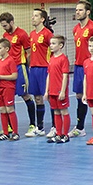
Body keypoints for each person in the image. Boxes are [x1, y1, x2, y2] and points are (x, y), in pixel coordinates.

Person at [0, 12, 37, 137]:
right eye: (2, 26)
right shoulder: (5, 35)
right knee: (8, 98)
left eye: (5, 25)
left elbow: (29, 52)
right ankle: (10, 125)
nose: (4, 28)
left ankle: (33, 124)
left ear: (11, 22)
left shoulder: (22, 34)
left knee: (25, 95)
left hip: (20, 68)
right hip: (8, 69)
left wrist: (27, 67)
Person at [71, 1, 93, 138]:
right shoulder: (76, 29)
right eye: (76, 10)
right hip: (79, 66)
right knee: (80, 96)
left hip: (92, 67)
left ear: (88, 12)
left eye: (80, 10)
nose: (77, 12)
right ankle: (80, 128)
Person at [26, 8, 53, 137]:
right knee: (37, 98)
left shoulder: (47, 34)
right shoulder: (31, 34)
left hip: (44, 69)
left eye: (36, 16)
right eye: (32, 15)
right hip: (34, 69)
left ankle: (55, 126)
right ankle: (40, 127)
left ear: (42, 19)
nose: (33, 18)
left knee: (50, 98)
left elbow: (54, 51)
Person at [46, 35, 71, 144]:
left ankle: (65, 135)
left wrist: (62, 91)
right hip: (52, 90)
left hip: (60, 90)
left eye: (53, 43)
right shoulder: (51, 58)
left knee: (64, 111)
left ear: (60, 46)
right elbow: (49, 75)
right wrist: (46, 91)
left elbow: (65, 76)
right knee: (56, 111)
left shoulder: (63, 59)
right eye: (50, 43)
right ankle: (58, 133)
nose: (51, 45)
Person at [0, 38, 20, 141]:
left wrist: (1, 76)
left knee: (10, 109)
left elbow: (14, 76)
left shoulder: (11, 61)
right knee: (2, 109)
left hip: (8, 87)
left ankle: (15, 132)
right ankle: (5, 132)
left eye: (0, 48)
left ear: (7, 49)